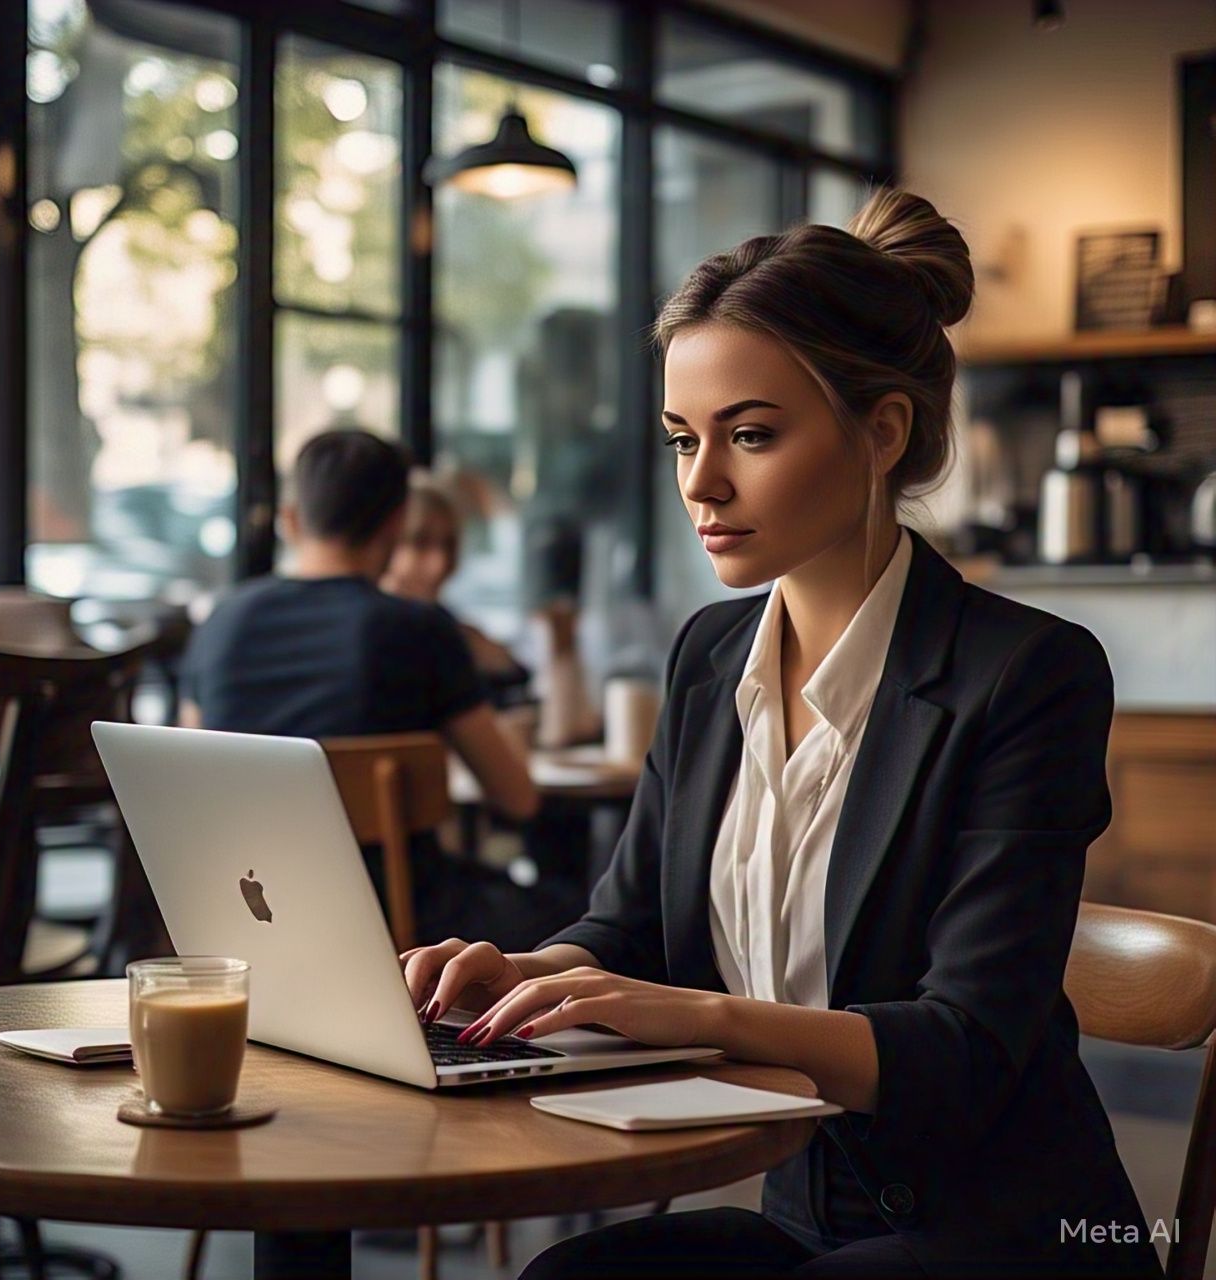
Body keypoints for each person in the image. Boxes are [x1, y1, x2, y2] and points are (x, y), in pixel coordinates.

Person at [398, 190, 1163, 1279]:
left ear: (880, 430)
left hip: (1005, 1229)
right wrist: (525, 973)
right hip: (812, 1214)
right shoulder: (709, 656)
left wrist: (693, 1011)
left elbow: (961, 1048)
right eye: (680, 439)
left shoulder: (1024, 674)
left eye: (748, 434)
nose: (699, 484)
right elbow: (630, 932)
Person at [178, 429, 572, 952]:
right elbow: (517, 799)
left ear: (292, 519)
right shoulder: (419, 629)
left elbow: (187, 777)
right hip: (404, 928)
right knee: (576, 915)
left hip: (250, 919)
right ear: (394, 523)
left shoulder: (221, 623)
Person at [381, 473, 600, 746]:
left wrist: (562, 644)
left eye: (449, 545)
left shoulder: (464, 636)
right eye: (419, 542)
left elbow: (560, 732)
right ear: (384, 546)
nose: (439, 562)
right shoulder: (390, 642)